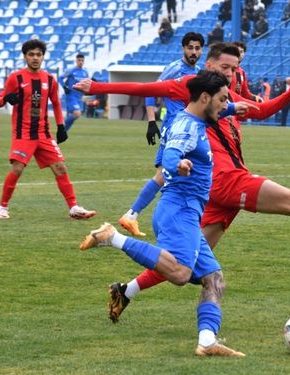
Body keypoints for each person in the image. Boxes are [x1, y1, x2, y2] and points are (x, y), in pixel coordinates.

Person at [76, 49, 290, 324]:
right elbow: (145, 87)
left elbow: (260, 110)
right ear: (210, 63)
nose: (231, 72)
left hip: (214, 187)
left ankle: (125, 291)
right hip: (224, 180)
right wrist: (98, 87)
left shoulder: (225, 97)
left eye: (235, 67)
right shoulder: (190, 87)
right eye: (225, 67)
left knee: (186, 260)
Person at [79, 70, 246, 357]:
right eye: (222, 99)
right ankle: (112, 237)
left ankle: (207, 342)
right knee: (180, 273)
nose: (225, 105)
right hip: (178, 209)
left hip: (186, 213)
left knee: (213, 278)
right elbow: (170, 156)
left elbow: (203, 119)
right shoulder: (188, 128)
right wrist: (177, 163)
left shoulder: (190, 117)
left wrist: (233, 107)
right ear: (205, 97)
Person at [0, 39, 95, 220]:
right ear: (25, 56)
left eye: (38, 55)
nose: (35, 58)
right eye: (31, 54)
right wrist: (6, 98)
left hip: (43, 133)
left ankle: (73, 208)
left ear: (43, 57)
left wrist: (61, 126)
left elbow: (56, 103)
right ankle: (3, 207)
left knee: (60, 167)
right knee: (17, 169)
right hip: (23, 133)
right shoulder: (15, 78)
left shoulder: (49, 79)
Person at [117, 32, 204, 237]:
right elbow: (150, 91)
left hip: (188, 131)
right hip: (174, 130)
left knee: (176, 176)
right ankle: (132, 215)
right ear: (183, 48)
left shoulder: (199, 72)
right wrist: (151, 122)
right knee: (166, 175)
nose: (193, 52)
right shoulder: (174, 69)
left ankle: (133, 216)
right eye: (190, 48)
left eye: (197, 48)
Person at [60, 53, 90, 132]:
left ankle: (64, 132)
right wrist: (64, 87)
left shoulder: (85, 72)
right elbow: (60, 78)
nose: (80, 62)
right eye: (79, 60)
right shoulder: (71, 70)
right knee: (77, 114)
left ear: (84, 62)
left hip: (79, 97)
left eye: (82, 60)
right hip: (71, 95)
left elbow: (87, 83)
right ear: (76, 61)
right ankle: (62, 126)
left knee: (73, 116)